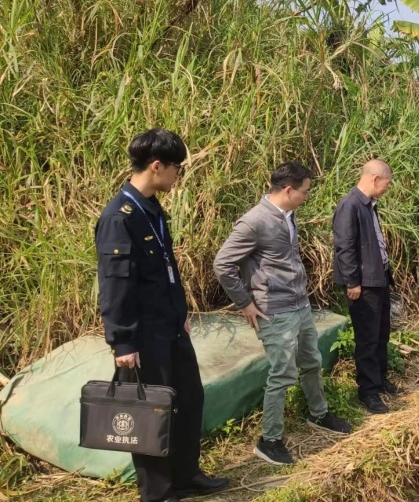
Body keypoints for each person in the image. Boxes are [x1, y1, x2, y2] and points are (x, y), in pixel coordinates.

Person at [95, 128, 229, 502]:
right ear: (156, 166)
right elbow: (115, 284)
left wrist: (180, 311)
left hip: (171, 325)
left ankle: (186, 475)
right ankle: (158, 492)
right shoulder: (119, 217)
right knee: (152, 412)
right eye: (176, 168)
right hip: (143, 335)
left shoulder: (152, 208)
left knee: (188, 399)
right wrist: (122, 340)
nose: (178, 176)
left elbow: (166, 269)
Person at [213, 162, 352, 466]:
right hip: (274, 310)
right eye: (304, 191)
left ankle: (319, 413)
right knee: (283, 373)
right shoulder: (254, 221)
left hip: (299, 305)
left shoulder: (288, 214)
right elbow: (223, 264)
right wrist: (245, 302)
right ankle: (269, 440)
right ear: (288, 190)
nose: (306, 196)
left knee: (312, 361)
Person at [332, 159, 401, 414]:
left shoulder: (369, 206)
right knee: (367, 338)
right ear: (375, 179)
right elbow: (344, 246)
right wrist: (353, 282)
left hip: (378, 278)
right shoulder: (350, 205)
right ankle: (368, 392)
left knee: (382, 333)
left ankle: (380, 381)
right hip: (363, 284)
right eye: (387, 183)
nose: (387, 188)